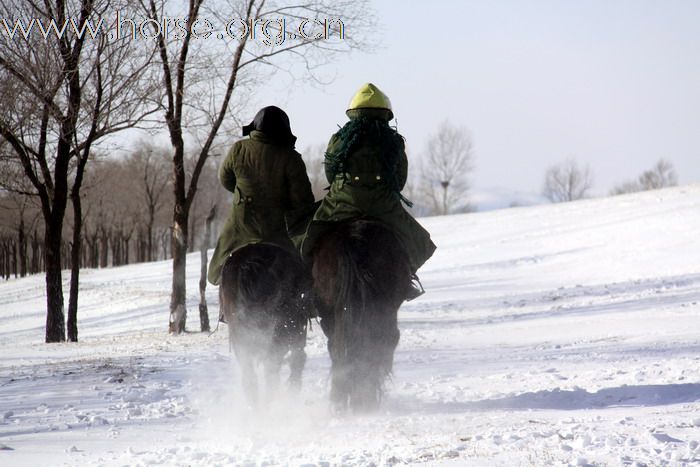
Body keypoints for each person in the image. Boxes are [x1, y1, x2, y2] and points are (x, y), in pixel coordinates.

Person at [299, 83, 436, 300]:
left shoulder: (340, 137)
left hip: (342, 203)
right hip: (383, 206)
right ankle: (406, 279)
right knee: (418, 242)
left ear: (353, 112)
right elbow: (399, 180)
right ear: (386, 112)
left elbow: (330, 173)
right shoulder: (393, 140)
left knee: (307, 239)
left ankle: (309, 282)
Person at [207, 106, 315, 295]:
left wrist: (241, 194)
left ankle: (224, 301)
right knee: (304, 271)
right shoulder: (291, 157)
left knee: (220, 265)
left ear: (255, 127)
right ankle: (304, 306)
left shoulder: (238, 149)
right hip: (278, 232)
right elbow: (302, 201)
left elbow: (225, 179)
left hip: (241, 228)